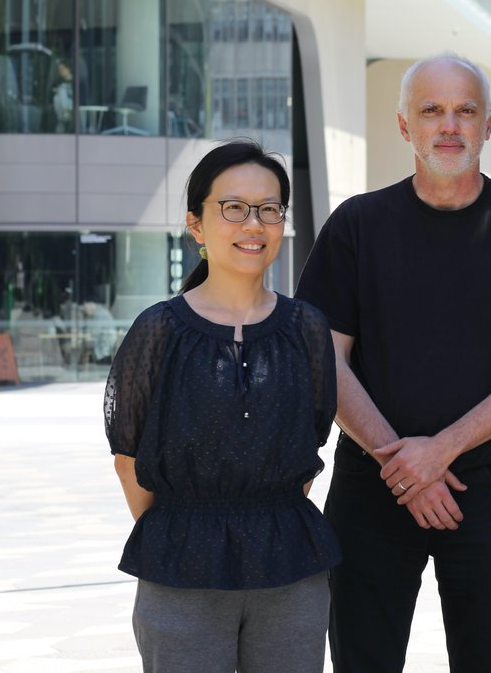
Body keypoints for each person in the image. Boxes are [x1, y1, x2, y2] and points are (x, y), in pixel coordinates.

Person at [295, 53, 491, 673]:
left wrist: (436, 454)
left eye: (464, 111)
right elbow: (325, 360)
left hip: (490, 490)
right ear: (404, 126)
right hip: (372, 488)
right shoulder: (356, 226)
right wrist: (403, 464)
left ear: (486, 126)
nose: (449, 126)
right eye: (432, 111)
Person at [104, 140, 340, 673]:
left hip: (291, 566)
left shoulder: (307, 328)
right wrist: (189, 526)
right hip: (180, 563)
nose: (253, 224)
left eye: (269, 209)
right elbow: (128, 457)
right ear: (195, 225)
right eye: (232, 207)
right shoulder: (158, 329)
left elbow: (311, 442)